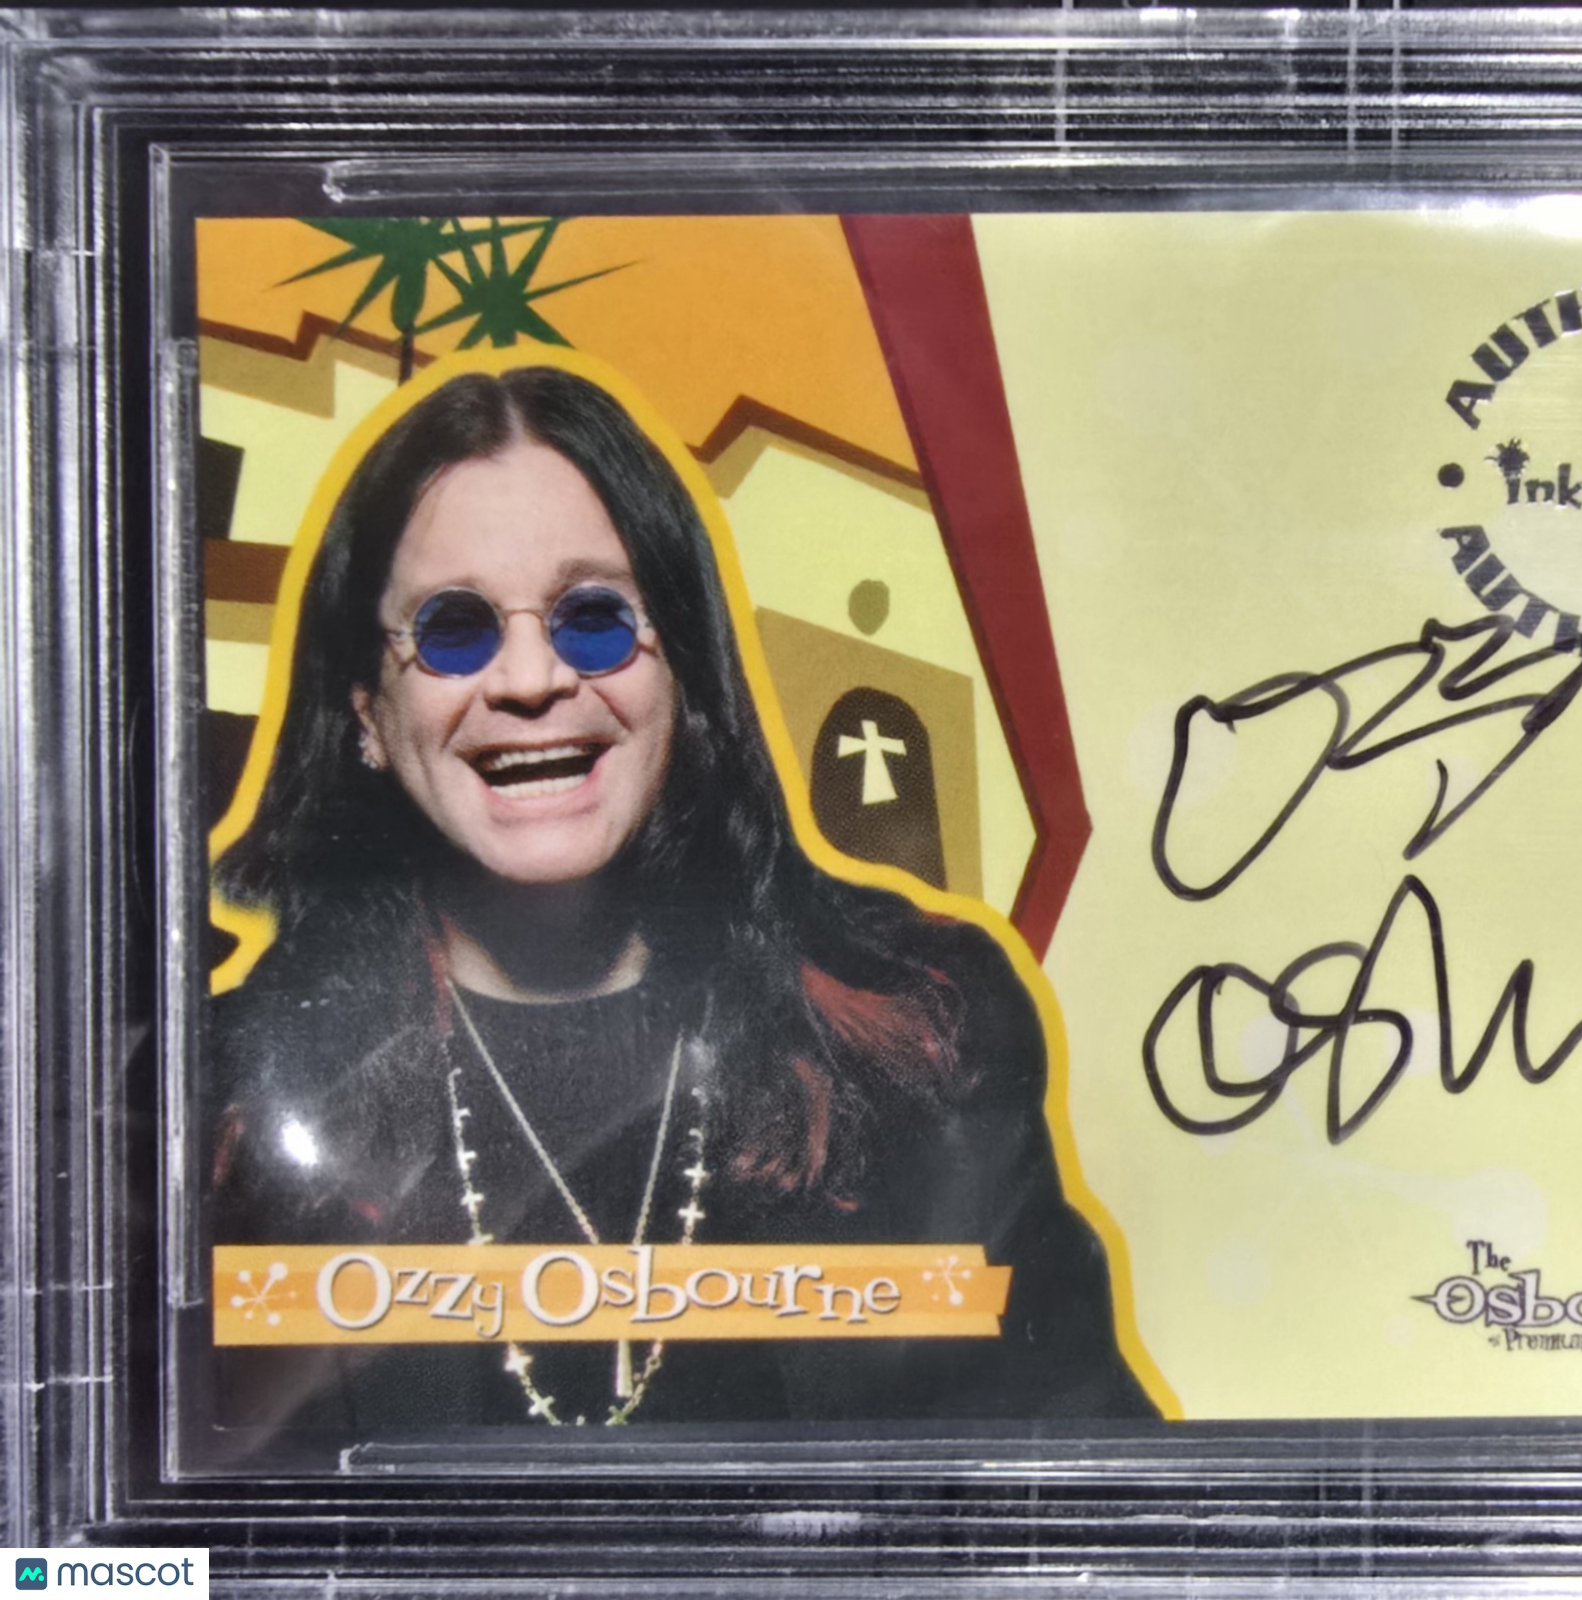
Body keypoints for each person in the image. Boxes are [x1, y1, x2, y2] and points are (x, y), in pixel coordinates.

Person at [206, 362, 1152, 1431]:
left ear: (686, 675)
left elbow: (1077, 1479)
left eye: (595, 617)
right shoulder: (224, 1103)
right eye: (453, 628)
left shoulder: (924, 1033)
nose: (530, 681)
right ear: (367, 714)